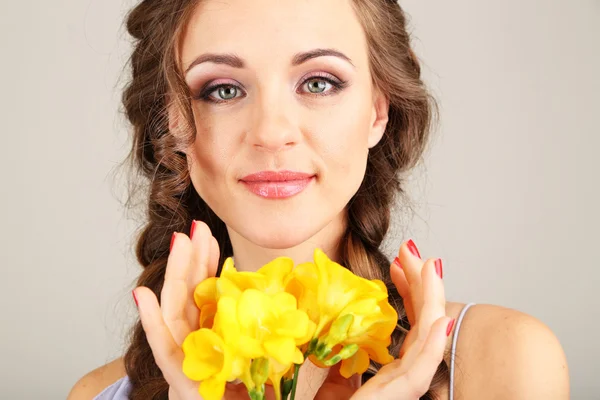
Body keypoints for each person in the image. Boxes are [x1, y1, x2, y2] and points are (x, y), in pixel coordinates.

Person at [68, 0, 569, 398]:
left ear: (378, 110)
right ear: (174, 122)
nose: (271, 132)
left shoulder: (502, 363)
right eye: (222, 90)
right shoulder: (96, 394)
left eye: (318, 82)